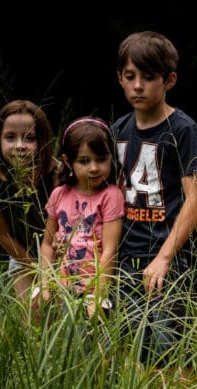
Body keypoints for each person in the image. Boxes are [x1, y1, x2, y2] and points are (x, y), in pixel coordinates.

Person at [112, 31, 197, 367]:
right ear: (120, 79)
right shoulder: (118, 130)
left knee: (169, 356)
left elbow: (196, 199)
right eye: (130, 77)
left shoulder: (183, 130)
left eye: (148, 77)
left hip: (166, 258)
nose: (138, 85)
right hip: (124, 258)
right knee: (129, 351)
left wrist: (165, 257)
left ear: (169, 80)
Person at [34, 117, 124, 319]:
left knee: (96, 346)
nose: (93, 168)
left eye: (101, 159)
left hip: (96, 290)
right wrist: (46, 283)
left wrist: (98, 296)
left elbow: (110, 250)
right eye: (84, 161)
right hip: (64, 289)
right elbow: (47, 243)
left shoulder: (111, 195)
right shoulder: (59, 194)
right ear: (68, 161)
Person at [0, 100, 58, 301]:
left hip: (64, 254)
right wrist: (36, 267)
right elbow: (5, 236)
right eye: (10, 137)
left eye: (29, 138)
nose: (20, 146)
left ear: (42, 141)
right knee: (33, 311)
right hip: (23, 255)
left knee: (63, 313)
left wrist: (53, 267)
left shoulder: (58, 176)